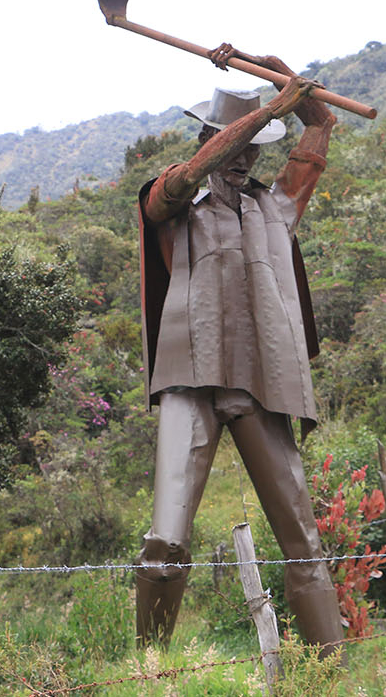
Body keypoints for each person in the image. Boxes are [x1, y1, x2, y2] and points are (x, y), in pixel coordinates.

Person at [134, 46, 343, 657]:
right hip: (187, 379)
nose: (245, 158)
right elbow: (185, 178)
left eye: (255, 148)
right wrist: (267, 109)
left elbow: (320, 128)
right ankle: (146, 671)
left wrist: (269, 69)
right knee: (165, 541)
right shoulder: (170, 198)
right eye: (235, 145)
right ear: (210, 139)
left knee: (302, 540)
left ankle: (331, 675)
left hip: (261, 383)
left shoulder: (273, 207)